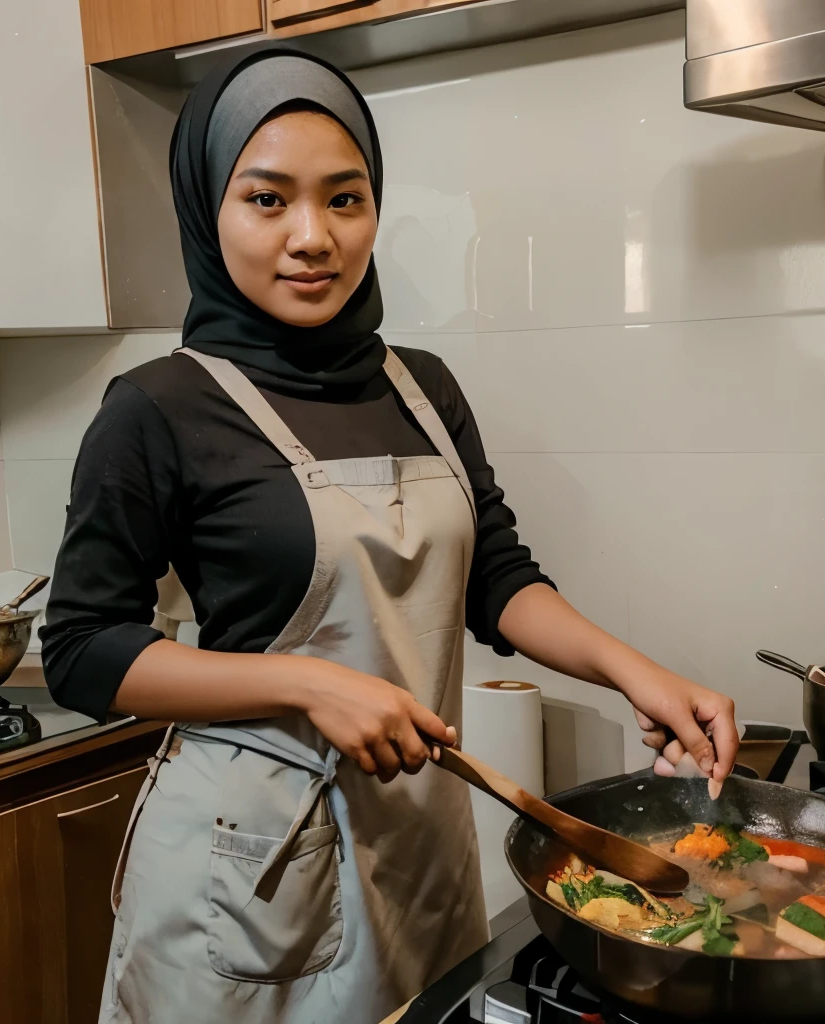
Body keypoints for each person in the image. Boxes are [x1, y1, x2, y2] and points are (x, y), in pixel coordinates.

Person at [40, 49, 738, 1024]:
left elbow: (493, 575)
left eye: (345, 197)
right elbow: (80, 649)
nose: (312, 236)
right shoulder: (158, 408)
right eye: (267, 198)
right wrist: (308, 681)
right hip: (253, 863)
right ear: (208, 208)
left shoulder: (423, 388)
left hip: (418, 844)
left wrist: (631, 671)